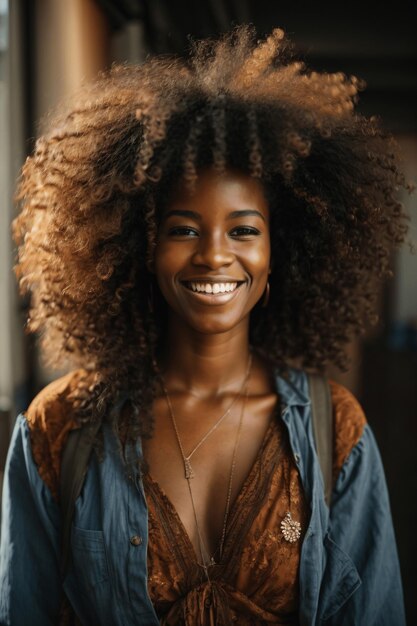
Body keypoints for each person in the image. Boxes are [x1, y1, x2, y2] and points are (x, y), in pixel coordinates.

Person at [0, 25, 409, 626]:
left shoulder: (334, 432)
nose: (215, 256)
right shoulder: (58, 431)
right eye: (183, 229)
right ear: (139, 248)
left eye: (244, 230)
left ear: (281, 255)